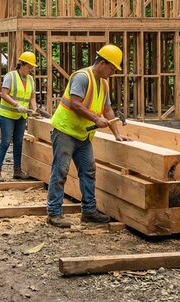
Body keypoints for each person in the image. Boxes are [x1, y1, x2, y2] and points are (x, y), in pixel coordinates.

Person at [46, 44, 132, 228]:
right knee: (60, 171)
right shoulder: (82, 77)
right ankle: (54, 213)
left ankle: (89, 211)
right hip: (65, 131)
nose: (113, 72)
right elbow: (76, 104)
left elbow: (108, 109)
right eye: (112, 68)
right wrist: (95, 118)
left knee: (88, 171)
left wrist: (117, 133)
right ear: (102, 63)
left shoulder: (104, 84)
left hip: (84, 136)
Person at [0, 52, 38, 182]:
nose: (30, 70)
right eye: (29, 67)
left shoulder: (30, 79)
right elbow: (4, 94)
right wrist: (16, 104)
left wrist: (34, 110)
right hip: (7, 115)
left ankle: (17, 171)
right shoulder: (11, 76)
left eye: (31, 68)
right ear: (22, 65)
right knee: (6, 142)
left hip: (21, 116)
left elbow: (32, 97)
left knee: (18, 143)